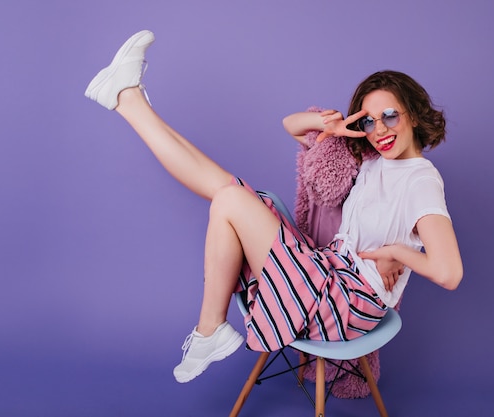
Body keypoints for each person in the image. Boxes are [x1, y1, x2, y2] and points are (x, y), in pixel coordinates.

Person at [84, 30, 463, 384]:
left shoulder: (421, 180)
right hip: (329, 271)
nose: (379, 130)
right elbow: (292, 126)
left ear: (413, 114)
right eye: (368, 121)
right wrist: (327, 126)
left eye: (390, 116)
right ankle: (128, 100)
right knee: (229, 191)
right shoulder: (374, 161)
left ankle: (209, 329)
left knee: (230, 197)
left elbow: (449, 273)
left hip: (345, 306)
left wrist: (396, 252)